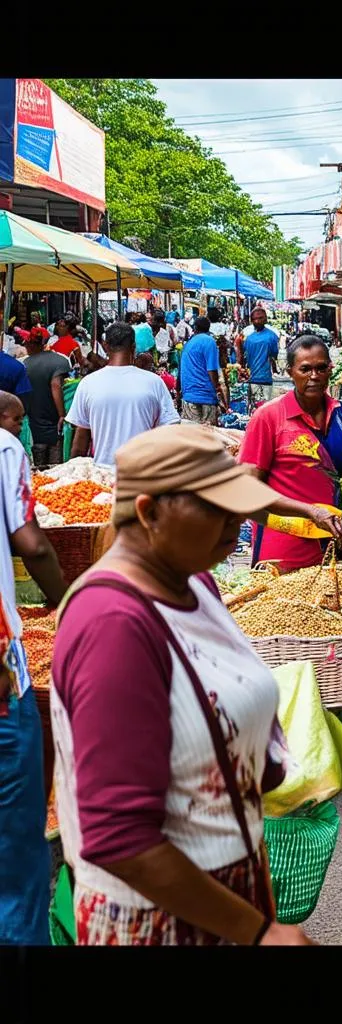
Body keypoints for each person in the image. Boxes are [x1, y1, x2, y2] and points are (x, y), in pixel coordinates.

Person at [50, 424, 314, 946]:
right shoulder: (113, 623)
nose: (237, 520)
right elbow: (118, 837)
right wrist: (259, 933)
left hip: (229, 889)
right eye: (215, 507)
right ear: (149, 513)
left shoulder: (196, 582)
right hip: (157, 921)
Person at [238, 333, 342, 572]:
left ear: (331, 369)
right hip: (283, 538)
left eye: (321, 368)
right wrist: (310, 511)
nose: (314, 377)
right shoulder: (268, 418)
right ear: (290, 372)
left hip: (333, 534)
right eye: (305, 369)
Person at [0, 390, 67, 945]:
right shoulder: (3, 450)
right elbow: (32, 542)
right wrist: (68, 602)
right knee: (18, 857)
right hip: (1, 682)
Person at [67, 320, 180, 467]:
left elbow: (81, 438)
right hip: (144, 474)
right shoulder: (154, 382)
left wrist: (73, 472)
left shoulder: (88, 384)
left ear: (105, 346)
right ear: (133, 347)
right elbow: (169, 432)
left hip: (102, 477)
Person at [23, 328, 71, 467]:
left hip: (34, 422)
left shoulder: (26, 364)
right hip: (54, 422)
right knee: (55, 467)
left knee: (38, 467)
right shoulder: (60, 361)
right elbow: (56, 385)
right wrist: (62, 414)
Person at [178, 316, 226, 424]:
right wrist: (219, 392)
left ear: (194, 328)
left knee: (193, 438)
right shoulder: (210, 341)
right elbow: (212, 371)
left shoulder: (187, 344)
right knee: (209, 436)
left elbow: (180, 371)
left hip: (189, 398)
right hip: (207, 397)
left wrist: (178, 393)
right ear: (208, 328)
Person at [235, 307, 279, 412]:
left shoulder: (249, 338)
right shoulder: (271, 336)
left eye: (260, 318)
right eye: (255, 319)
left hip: (258, 379)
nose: (258, 321)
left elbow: (242, 357)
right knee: (264, 410)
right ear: (252, 321)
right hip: (258, 379)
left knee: (254, 410)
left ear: (266, 319)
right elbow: (274, 355)